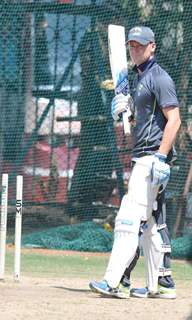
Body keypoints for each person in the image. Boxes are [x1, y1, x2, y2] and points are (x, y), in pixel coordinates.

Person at [89, 26, 181, 299]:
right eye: (131, 45)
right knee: (152, 225)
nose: (135, 49)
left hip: (152, 158)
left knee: (129, 218)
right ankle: (160, 286)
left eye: (140, 45)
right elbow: (145, 121)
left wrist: (161, 157)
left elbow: (174, 120)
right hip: (143, 155)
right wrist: (125, 114)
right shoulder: (139, 78)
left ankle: (113, 281)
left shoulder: (159, 78)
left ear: (152, 46)